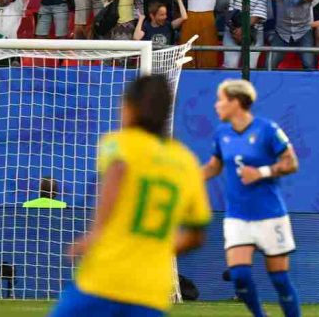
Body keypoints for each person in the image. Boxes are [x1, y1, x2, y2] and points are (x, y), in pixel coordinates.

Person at [52, 75, 209, 317]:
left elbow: (116, 173)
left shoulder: (118, 143)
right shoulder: (186, 161)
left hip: (105, 276)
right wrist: (154, 247)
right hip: (151, 289)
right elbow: (196, 235)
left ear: (129, 107)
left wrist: (96, 234)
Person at [201, 79, 301, 317]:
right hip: (237, 216)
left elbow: (291, 162)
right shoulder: (221, 133)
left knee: (279, 279)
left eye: (221, 100)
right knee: (240, 277)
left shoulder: (267, 129)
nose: (216, 106)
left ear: (236, 102)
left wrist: (262, 172)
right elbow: (214, 167)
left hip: (270, 214)